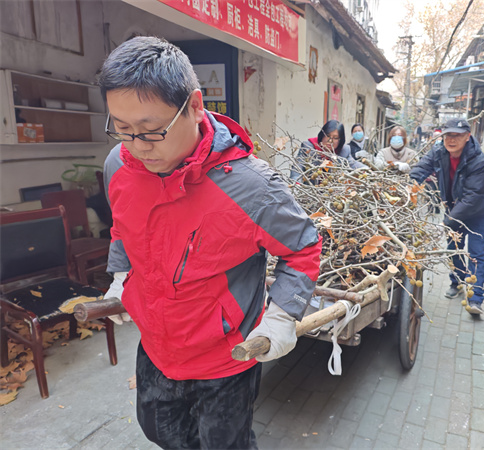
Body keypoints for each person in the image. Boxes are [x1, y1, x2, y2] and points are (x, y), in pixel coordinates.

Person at [98, 36, 322, 449]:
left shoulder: (253, 187)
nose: (138, 147)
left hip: (225, 356)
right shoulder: (119, 165)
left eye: (152, 130)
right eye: (123, 129)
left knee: (224, 443)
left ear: (196, 106)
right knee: (159, 431)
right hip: (157, 344)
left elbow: (303, 247)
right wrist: (120, 276)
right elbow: (122, 226)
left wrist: (282, 314)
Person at [410, 118, 484, 316]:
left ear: (467, 137)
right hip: (454, 205)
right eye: (448, 135)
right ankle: (456, 282)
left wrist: (445, 222)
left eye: (457, 135)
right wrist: (408, 186)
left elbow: (472, 197)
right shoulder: (438, 152)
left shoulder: (478, 160)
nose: (451, 139)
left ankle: (475, 299)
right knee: (453, 248)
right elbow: (421, 169)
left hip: (480, 210)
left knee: (476, 254)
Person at [291, 119, 366, 181]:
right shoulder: (308, 148)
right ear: (322, 135)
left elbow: (354, 164)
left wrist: (367, 171)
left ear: (340, 140)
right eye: (327, 136)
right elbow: (297, 171)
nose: (330, 141)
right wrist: (297, 185)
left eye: (335, 138)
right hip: (309, 191)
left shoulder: (344, 151)